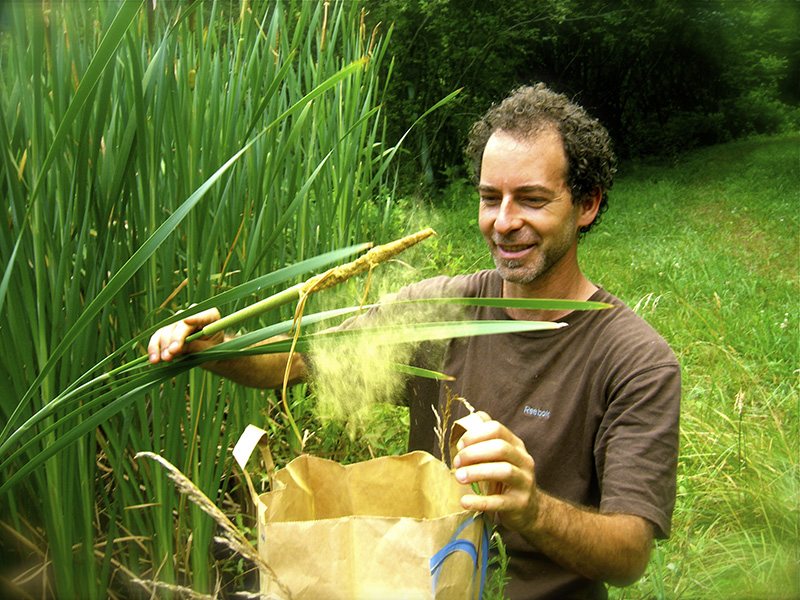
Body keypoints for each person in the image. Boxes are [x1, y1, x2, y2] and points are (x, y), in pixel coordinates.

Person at [149, 83, 680, 600]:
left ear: (586, 205)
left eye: (532, 200)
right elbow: (295, 361)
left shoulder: (634, 359)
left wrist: (532, 508)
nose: (504, 221)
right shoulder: (437, 312)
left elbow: (629, 555)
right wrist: (214, 348)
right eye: (490, 198)